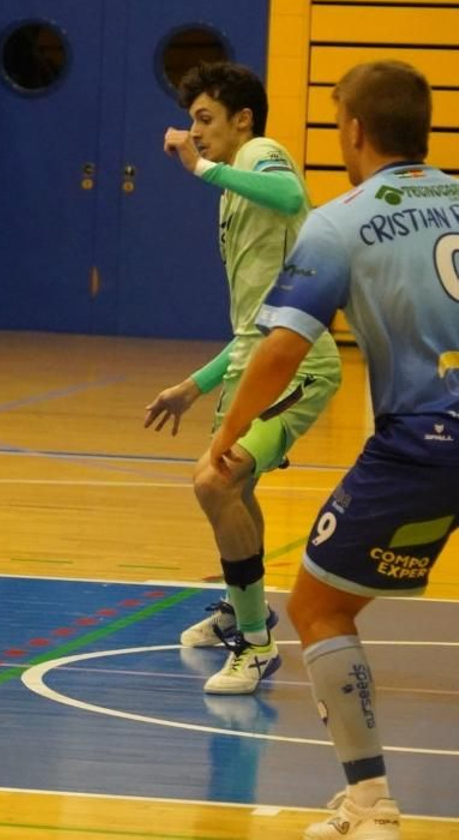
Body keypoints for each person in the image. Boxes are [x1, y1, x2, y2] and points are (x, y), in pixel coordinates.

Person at [209, 59, 459, 839]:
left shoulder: (340, 220)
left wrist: (226, 435)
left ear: (353, 131)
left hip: (427, 438)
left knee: (319, 607)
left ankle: (370, 807)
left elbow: (281, 352)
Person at [146, 62, 342, 695]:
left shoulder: (262, 155)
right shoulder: (236, 189)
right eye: (192, 121)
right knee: (237, 490)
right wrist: (195, 385)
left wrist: (198, 169)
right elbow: (252, 322)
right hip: (252, 367)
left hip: (297, 367)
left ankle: (256, 646)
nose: (195, 132)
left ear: (243, 119)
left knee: (214, 482)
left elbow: (293, 199)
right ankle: (242, 609)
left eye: (205, 119)